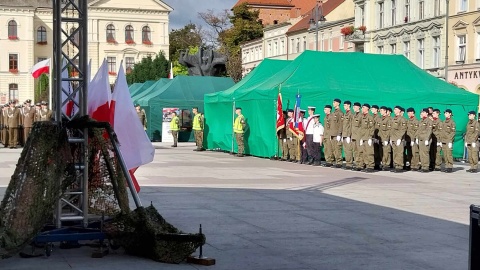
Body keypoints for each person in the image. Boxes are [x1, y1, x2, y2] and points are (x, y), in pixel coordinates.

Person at [390, 106, 407, 173]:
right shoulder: (393, 119)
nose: (394, 110)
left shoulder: (402, 119)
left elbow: (403, 129)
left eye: (396, 109)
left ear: (399, 110)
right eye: (394, 109)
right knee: (395, 153)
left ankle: (400, 166)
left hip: (399, 139)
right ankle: (396, 165)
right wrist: (391, 138)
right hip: (393, 138)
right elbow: (391, 130)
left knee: (399, 153)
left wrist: (400, 138)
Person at [359, 104, 375, 173]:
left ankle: (371, 166)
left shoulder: (370, 117)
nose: (362, 109)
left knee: (369, 152)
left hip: (368, 137)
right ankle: (367, 164)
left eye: (363, 107)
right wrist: (361, 138)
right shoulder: (362, 117)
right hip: (363, 137)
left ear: (367, 109)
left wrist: (370, 137)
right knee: (364, 152)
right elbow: (361, 128)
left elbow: (372, 128)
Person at [416, 108, 433, 173]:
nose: (422, 113)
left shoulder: (429, 121)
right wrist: (417, 137)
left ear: (426, 113)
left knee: (425, 153)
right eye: (421, 112)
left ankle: (426, 167)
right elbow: (418, 131)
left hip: (426, 139)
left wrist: (427, 139)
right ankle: (423, 166)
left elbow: (429, 131)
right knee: (421, 153)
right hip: (420, 139)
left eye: (423, 112)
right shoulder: (421, 121)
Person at [330, 98, 344, 168]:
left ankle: (339, 162)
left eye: (334, 102)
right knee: (334, 149)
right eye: (333, 102)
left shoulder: (340, 113)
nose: (333, 103)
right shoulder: (333, 113)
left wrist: (339, 134)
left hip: (336, 134)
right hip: (332, 134)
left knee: (338, 149)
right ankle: (336, 161)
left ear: (338, 103)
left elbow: (341, 124)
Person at [378, 106, 392, 171]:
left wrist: (387, 139)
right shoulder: (381, 119)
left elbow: (389, 130)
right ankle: (383, 163)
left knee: (386, 152)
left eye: (381, 110)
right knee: (381, 152)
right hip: (381, 138)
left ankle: (387, 164)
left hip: (385, 138)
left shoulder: (388, 119)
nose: (380, 112)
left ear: (385, 111)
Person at [342, 101, 354, 169]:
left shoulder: (350, 114)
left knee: (349, 150)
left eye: (345, 105)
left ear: (349, 105)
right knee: (346, 150)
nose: (344, 106)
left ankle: (349, 164)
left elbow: (351, 125)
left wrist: (349, 135)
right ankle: (347, 163)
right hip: (344, 134)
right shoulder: (345, 114)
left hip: (348, 135)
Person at [351, 102, 363, 171]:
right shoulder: (354, 115)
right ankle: (357, 163)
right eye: (353, 107)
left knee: (360, 151)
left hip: (359, 136)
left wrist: (362, 137)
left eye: (355, 107)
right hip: (354, 136)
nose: (354, 108)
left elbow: (363, 127)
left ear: (359, 107)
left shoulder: (361, 115)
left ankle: (360, 165)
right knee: (355, 151)